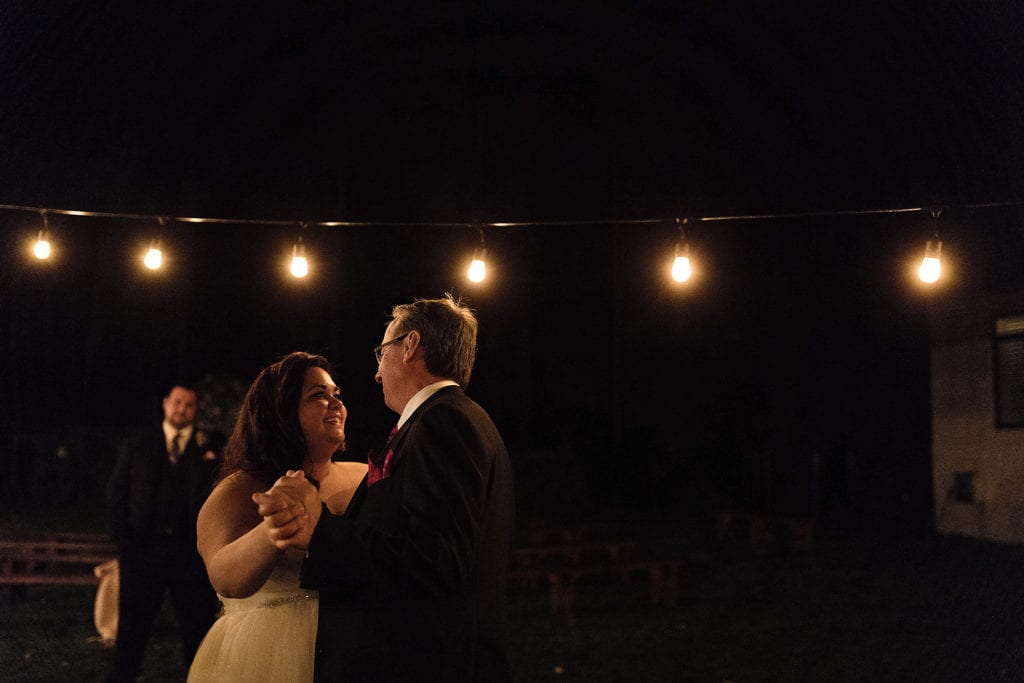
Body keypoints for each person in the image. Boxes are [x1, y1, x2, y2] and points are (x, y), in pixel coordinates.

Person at [256, 295, 516, 682]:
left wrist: (319, 527)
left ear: (409, 345)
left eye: (382, 352)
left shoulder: (443, 422)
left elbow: (437, 559)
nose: (377, 373)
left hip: (432, 662)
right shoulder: (448, 419)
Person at [188, 352, 366, 682]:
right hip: (267, 655)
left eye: (336, 395)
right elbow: (225, 577)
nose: (335, 403)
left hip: (352, 652)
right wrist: (272, 530)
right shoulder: (238, 491)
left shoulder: (364, 478)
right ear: (281, 412)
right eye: (318, 395)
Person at [105, 383, 224, 682]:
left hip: (190, 553)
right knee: (132, 627)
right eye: (177, 402)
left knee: (196, 627)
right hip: (143, 550)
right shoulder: (139, 443)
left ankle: (201, 678)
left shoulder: (209, 445)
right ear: (165, 403)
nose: (181, 409)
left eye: (188, 405)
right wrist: (125, 543)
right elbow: (116, 494)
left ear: (195, 410)